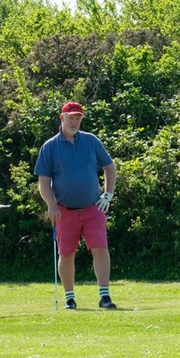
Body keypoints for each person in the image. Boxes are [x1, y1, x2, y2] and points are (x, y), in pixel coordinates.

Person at [35, 101, 118, 310]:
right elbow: (43, 181)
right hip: (64, 210)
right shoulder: (50, 146)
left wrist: (108, 194)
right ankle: (70, 298)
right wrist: (51, 205)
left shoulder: (91, 141)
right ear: (62, 118)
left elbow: (109, 167)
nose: (74, 121)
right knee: (66, 253)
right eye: (70, 117)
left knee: (100, 248)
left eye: (78, 118)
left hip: (93, 207)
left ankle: (104, 296)